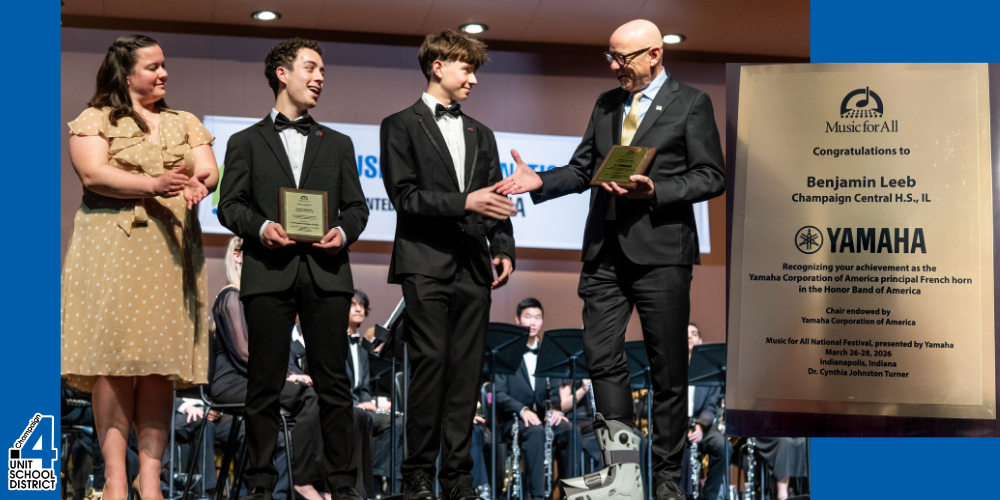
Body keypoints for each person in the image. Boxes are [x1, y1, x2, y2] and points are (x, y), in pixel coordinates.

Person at [497, 19, 726, 500]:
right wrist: (541, 181)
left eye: (623, 58)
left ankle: (666, 479)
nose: (614, 66)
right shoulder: (606, 103)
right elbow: (584, 167)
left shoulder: (691, 102)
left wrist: (657, 189)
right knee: (602, 360)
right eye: (611, 57)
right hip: (604, 252)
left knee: (668, 372)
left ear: (654, 55)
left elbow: (711, 176)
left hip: (662, 253)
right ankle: (621, 475)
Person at [62, 33, 219, 500]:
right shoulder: (95, 119)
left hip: (169, 249)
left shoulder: (184, 121)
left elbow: (208, 169)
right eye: (153, 67)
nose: (164, 73)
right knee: (113, 361)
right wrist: (153, 184)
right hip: (112, 247)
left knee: (158, 366)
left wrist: (199, 184)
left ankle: (149, 478)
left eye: (163, 64)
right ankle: (114, 477)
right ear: (126, 74)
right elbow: (93, 173)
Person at [218, 36, 370, 500]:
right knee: (264, 383)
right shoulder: (244, 142)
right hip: (269, 271)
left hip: (327, 273)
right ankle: (261, 485)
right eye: (311, 67)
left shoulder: (339, 143)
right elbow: (229, 205)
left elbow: (357, 208)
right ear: (282, 74)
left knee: (334, 384)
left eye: (323, 70)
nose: (320, 77)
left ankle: (342, 485)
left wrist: (341, 232)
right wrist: (261, 227)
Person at [379, 29, 517, 500]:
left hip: (474, 266)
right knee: (431, 364)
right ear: (438, 66)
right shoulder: (399, 125)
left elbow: (496, 201)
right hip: (424, 262)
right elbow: (405, 196)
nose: (474, 79)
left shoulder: (483, 133)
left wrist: (504, 248)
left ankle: (457, 478)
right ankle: (417, 473)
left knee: (466, 371)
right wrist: (465, 202)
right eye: (467, 69)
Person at [211, 237, 331, 500]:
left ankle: (318, 483)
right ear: (238, 256)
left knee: (326, 400)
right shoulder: (231, 296)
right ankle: (303, 481)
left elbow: (278, 350)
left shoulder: (260, 301)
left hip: (258, 377)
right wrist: (286, 376)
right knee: (308, 397)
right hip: (232, 381)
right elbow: (244, 353)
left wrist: (292, 374)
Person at [494, 299, 576, 500]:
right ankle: (538, 496)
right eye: (528, 317)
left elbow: (554, 395)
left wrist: (556, 410)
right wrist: (522, 410)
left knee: (569, 430)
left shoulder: (548, 353)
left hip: (541, 420)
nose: (533, 322)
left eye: (538, 317)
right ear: (517, 319)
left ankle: (571, 493)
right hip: (513, 421)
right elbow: (499, 394)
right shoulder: (505, 352)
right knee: (535, 432)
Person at [345, 291, 403, 493]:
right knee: (369, 420)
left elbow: (363, 387)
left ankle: (386, 483)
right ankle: (375, 485)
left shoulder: (362, 347)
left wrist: (367, 400)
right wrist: (356, 403)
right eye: (353, 305)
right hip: (345, 405)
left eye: (362, 305)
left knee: (396, 422)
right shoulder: (336, 342)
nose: (359, 309)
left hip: (359, 405)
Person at [682, 324, 730, 500]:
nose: (689, 337)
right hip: (678, 425)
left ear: (700, 341)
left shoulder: (710, 372)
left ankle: (708, 496)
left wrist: (700, 426)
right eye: (686, 334)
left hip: (702, 425)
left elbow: (711, 406)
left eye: (694, 334)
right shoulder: (672, 370)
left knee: (724, 446)